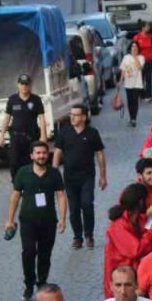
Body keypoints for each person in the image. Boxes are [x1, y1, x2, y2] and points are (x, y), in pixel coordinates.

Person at [6, 140, 67, 299]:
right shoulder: (23, 172)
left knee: (45, 253)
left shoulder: (54, 173)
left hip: (48, 221)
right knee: (28, 252)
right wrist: (9, 220)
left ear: (48, 154)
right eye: (38, 153)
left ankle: (42, 282)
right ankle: (29, 284)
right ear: (32, 155)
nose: (41, 156)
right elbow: (15, 196)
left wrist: (62, 218)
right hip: (27, 220)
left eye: (44, 153)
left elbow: (60, 195)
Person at [52, 104, 107, 249]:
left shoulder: (92, 133)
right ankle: (77, 237)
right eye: (71, 114)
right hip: (69, 177)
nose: (72, 117)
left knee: (87, 204)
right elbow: (57, 152)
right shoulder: (64, 132)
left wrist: (103, 176)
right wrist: (53, 171)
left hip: (87, 176)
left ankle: (89, 235)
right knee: (74, 208)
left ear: (83, 117)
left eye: (76, 115)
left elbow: (100, 154)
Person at [0, 75, 49, 181]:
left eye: (26, 84)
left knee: (32, 161)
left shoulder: (36, 100)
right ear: (18, 85)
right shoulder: (12, 99)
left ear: (30, 85)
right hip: (16, 137)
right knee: (14, 162)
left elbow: (41, 118)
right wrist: (2, 135)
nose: (24, 86)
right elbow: (7, 118)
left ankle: (33, 182)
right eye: (22, 84)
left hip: (32, 137)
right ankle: (17, 184)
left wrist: (43, 136)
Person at [119, 41, 146, 127]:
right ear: (130, 48)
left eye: (136, 47)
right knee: (130, 102)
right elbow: (123, 70)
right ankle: (131, 118)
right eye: (133, 47)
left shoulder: (141, 57)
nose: (134, 48)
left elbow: (140, 67)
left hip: (137, 83)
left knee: (135, 101)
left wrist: (135, 57)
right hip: (128, 83)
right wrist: (120, 81)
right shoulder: (126, 57)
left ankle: (134, 119)